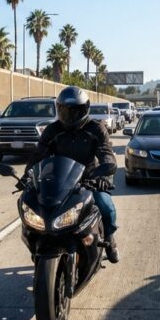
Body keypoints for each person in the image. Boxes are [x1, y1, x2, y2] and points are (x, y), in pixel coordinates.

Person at [23, 86, 119, 263]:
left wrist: (103, 174)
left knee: (106, 207)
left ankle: (110, 239)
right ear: (59, 109)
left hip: (89, 180)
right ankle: (36, 243)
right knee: (33, 207)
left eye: (75, 111)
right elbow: (39, 155)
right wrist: (27, 176)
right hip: (60, 181)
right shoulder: (53, 130)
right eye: (65, 110)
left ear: (84, 109)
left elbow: (107, 155)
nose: (70, 116)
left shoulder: (95, 129)